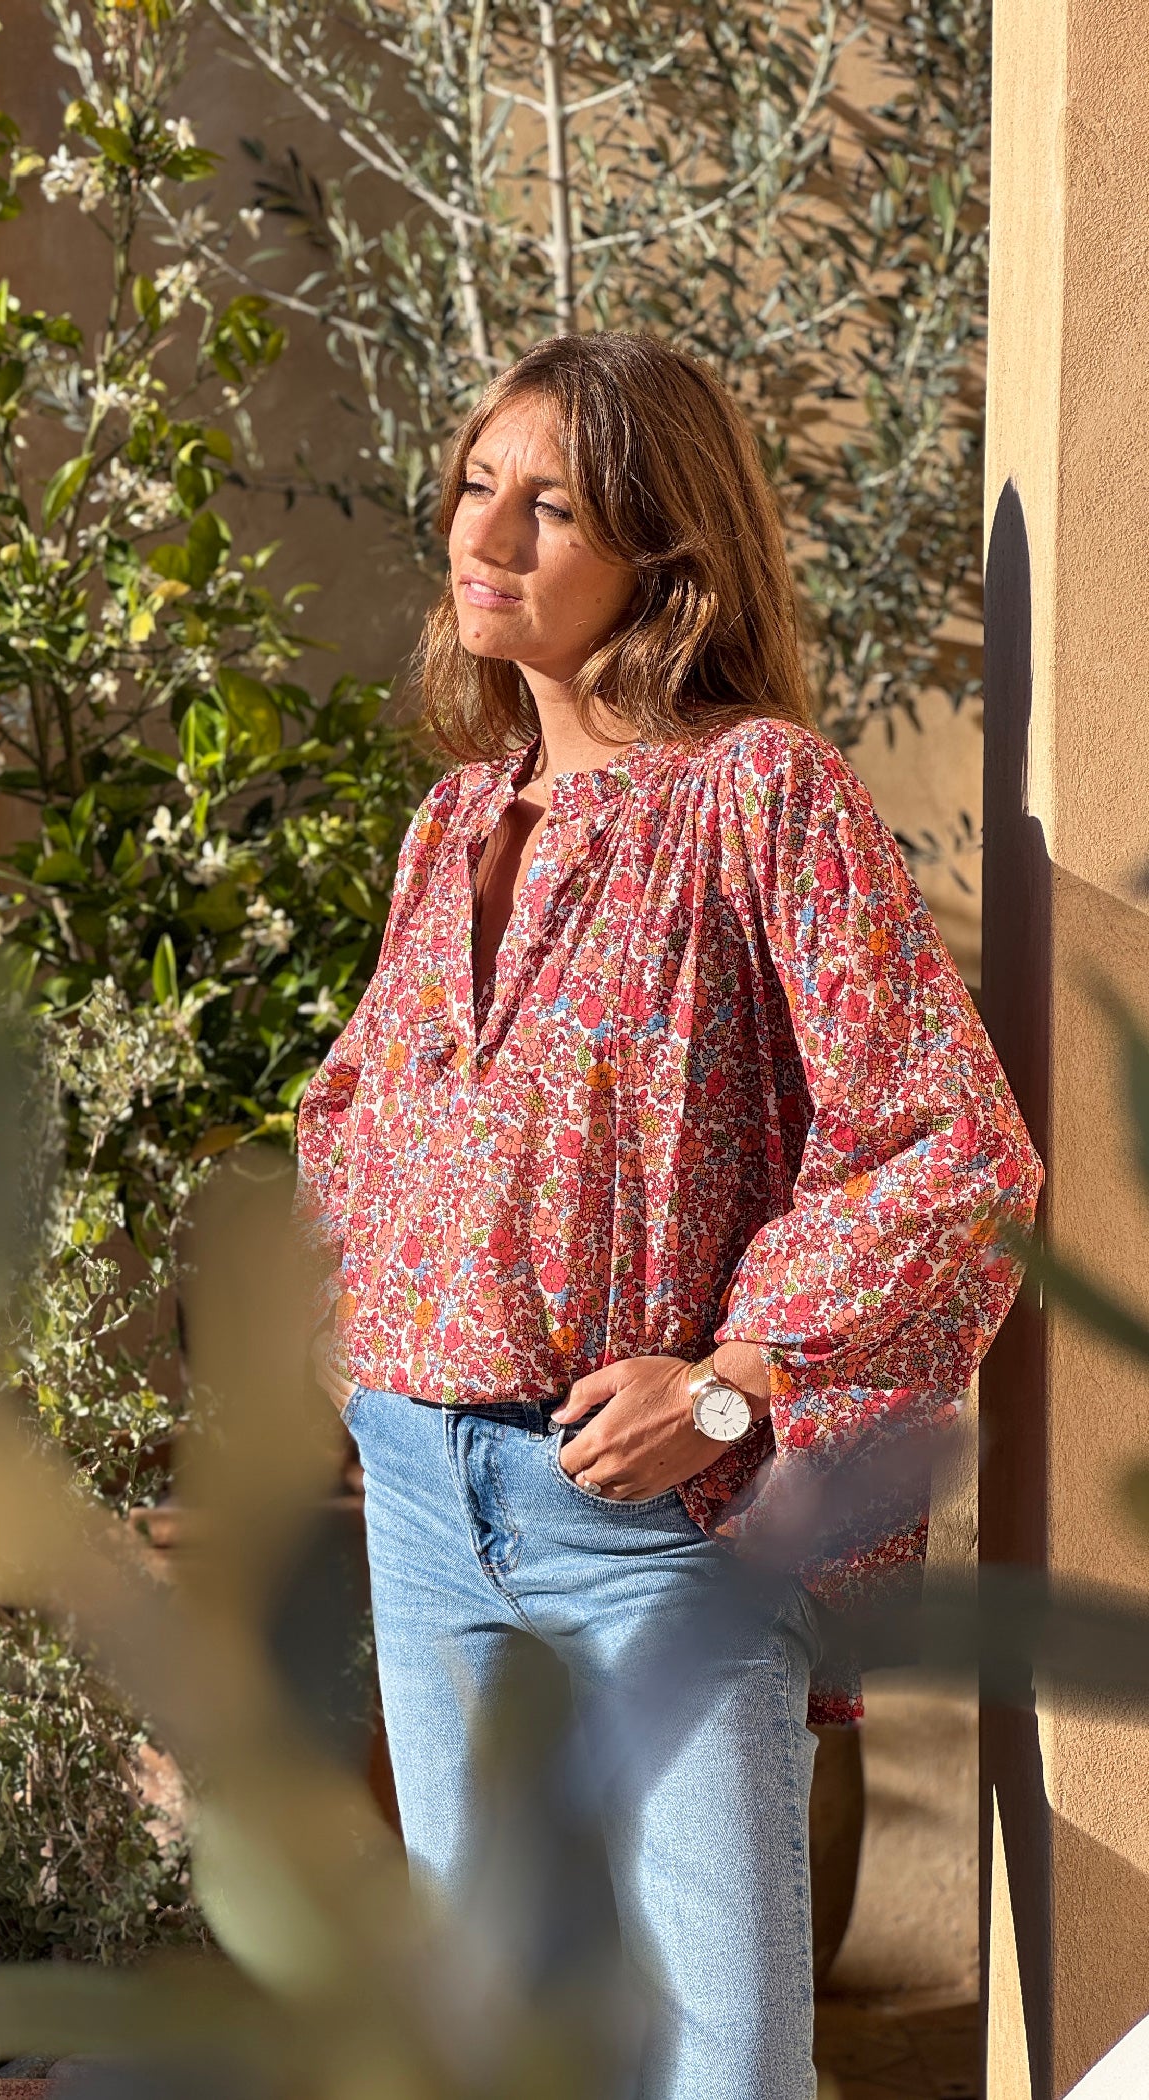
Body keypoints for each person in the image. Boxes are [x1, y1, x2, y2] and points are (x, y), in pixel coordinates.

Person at [294, 330, 1042, 2100]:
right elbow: (351, 1112)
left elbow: (954, 1145)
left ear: (662, 554)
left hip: (647, 1518)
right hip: (417, 1493)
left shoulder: (760, 795)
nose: (490, 532)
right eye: (480, 482)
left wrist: (736, 1379)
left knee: (722, 2061)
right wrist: (354, 1344)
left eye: (552, 505)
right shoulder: (453, 819)